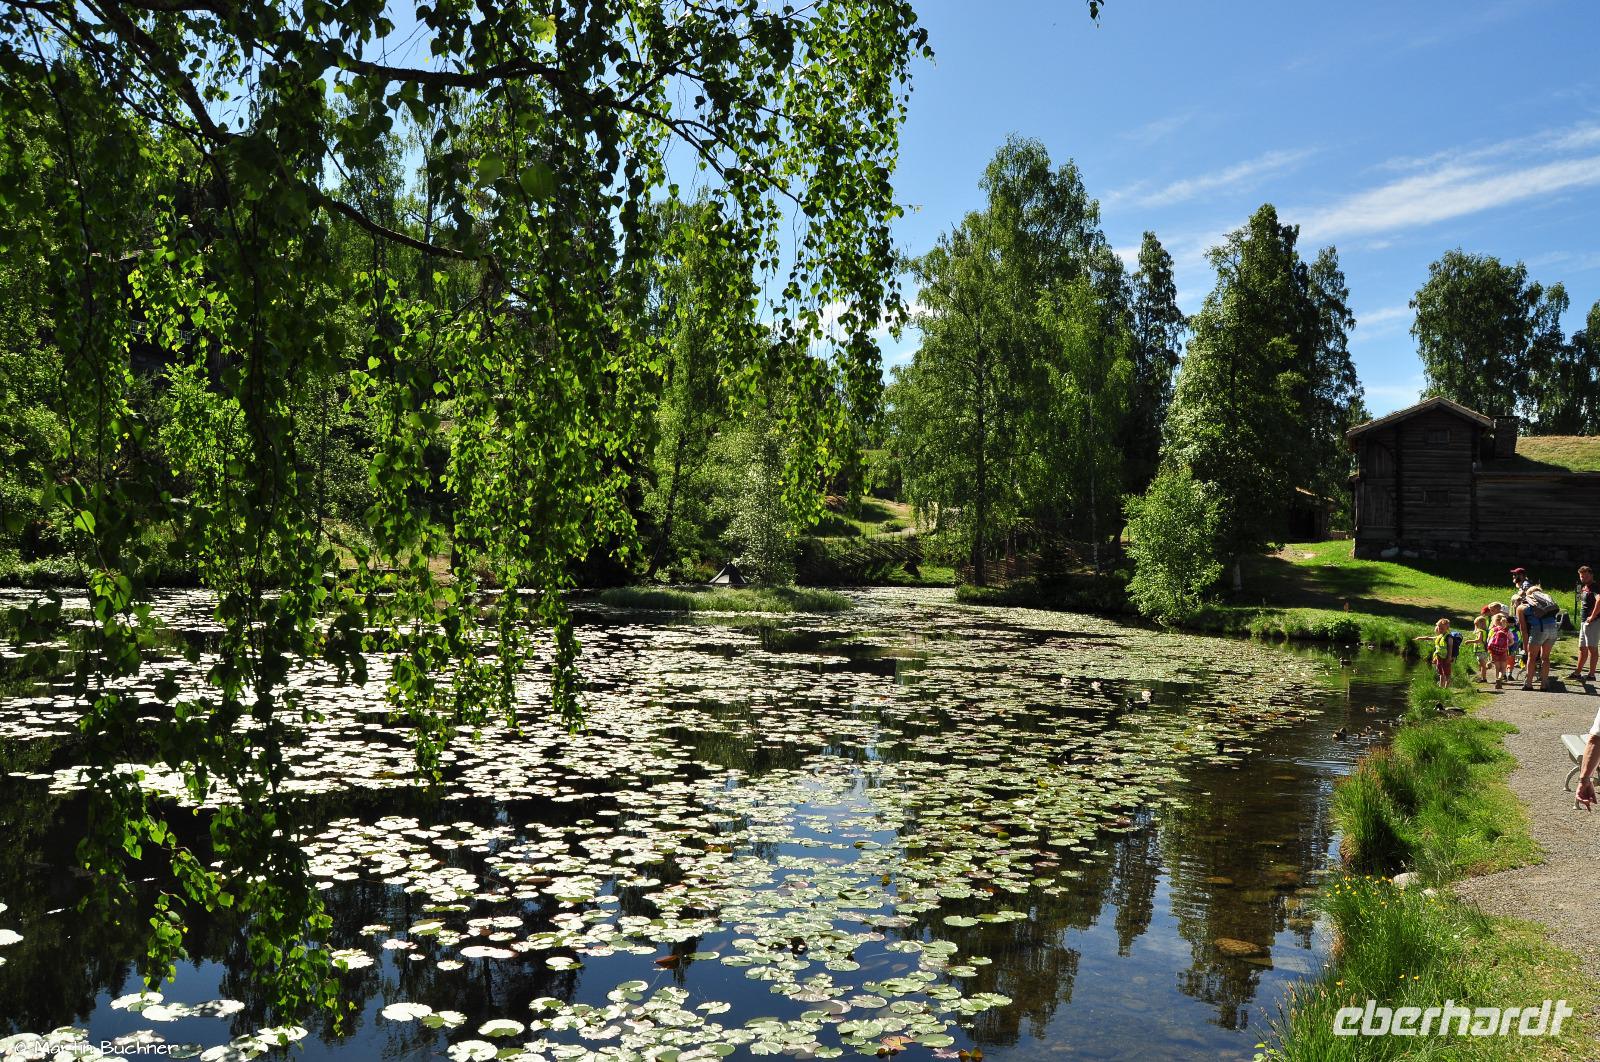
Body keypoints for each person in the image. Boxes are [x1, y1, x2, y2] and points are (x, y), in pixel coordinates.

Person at [1513, 576, 1562, 691]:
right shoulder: (1547, 604)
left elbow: (1523, 629)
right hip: (1553, 630)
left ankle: (1529, 683)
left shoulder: (1522, 607)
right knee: (1545, 657)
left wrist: (1525, 646)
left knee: (1532, 657)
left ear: (1528, 595)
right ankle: (1544, 684)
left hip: (1539, 630)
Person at [1569, 565, 1600, 683]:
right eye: (1581, 576)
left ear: (1591, 575)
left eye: (1585, 576)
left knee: (1592, 648)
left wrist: (1592, 617)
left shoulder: (1595, 587)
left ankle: (1591, 674)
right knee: (1582, 648)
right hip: (1584, 622)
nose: (1583, 578)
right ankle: (1577, 673)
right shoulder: (1585, 587)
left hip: (1592, 622)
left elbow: (1599, 600)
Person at [1413, 618, 1453, 688]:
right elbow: (1430, 638)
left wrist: (1449, 657)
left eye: (1442, 628)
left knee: (1447, 674)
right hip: (1439, 658)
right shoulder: (1440, 636)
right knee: (1441, 673)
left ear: (1447, 628)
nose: (1440, 630)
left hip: (1446, 658)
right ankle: (1441, 687)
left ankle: (1447, 689)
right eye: (1439, 628)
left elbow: (1450, 647)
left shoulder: (1449, 637)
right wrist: (1420, 638)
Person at [1488, 613, 1513, 689]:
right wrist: (1506, 645)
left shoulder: (1493, 630)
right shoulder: (1507, 631)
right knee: (1503, 668)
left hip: (1494, 652)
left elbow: (1488, 641)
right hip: (1504, 652)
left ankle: (1497, 679)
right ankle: (1500, 679)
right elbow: (1512, 642)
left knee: (1497, 668)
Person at [1467, 614, 1490, 682]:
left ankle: (1483, 678)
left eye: (1476, 624)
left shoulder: (1480, 631)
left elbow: (1479, 640)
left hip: (1481, 650)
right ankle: (1483, 675)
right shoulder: (1486, 631)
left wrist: (1469, 641)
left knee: (1482, 665)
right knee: (1481, 665)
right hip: (1484, 649)